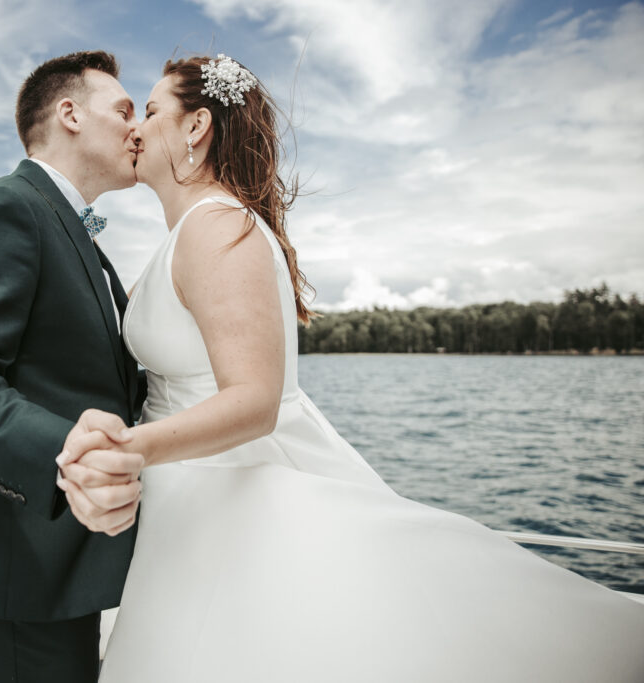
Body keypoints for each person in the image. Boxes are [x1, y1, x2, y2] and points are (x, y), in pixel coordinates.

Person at [57, 54, 644, 682]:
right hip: (188, 503)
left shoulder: (216, 226)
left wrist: (129, 449)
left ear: (196, 126)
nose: (137, 130)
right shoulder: (191, 232)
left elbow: (256, 399)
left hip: (230, 495)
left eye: (149, 111)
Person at [0, 50, 148, 683]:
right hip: (13, 555)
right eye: (124, 110)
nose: (138, 128)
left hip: (64, 550)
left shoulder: (72, 227)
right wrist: (61, 448)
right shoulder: (4, 207)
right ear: (69, 114)